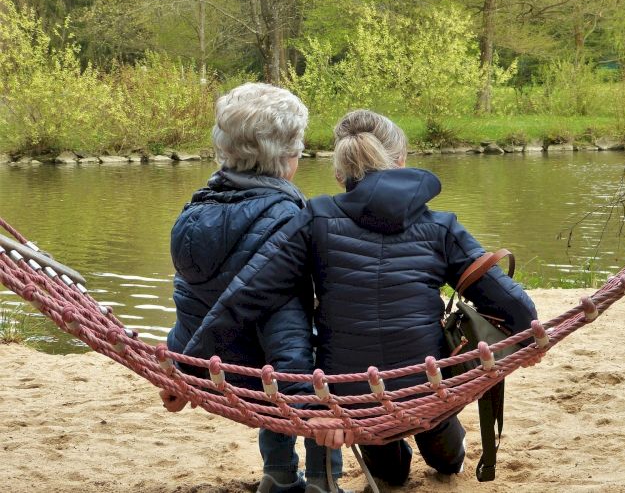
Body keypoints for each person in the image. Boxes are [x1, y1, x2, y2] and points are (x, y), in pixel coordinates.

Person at [184, 109, 538, 486]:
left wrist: (187, 367)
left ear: (340, 173)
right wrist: (529, 338)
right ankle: (445, 449)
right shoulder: (441, 226)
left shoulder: (314, 218)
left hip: (352, 399)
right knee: (441, 439)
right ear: (401, 161)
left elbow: (249, 294)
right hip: (428, 385)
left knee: (390, 471)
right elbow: (514, 305)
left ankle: (402, 450)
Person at [161, 82, 342, 493]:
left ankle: (277, 473)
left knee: (273, 361)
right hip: (274, 376)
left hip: (218, 368)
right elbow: (289, 324)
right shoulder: (289, 218)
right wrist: (306, 402)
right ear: (288, 158)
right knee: (322, 352)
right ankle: (322, 480)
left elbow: (191, 300)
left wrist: (179, 367)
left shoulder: (193, 210)